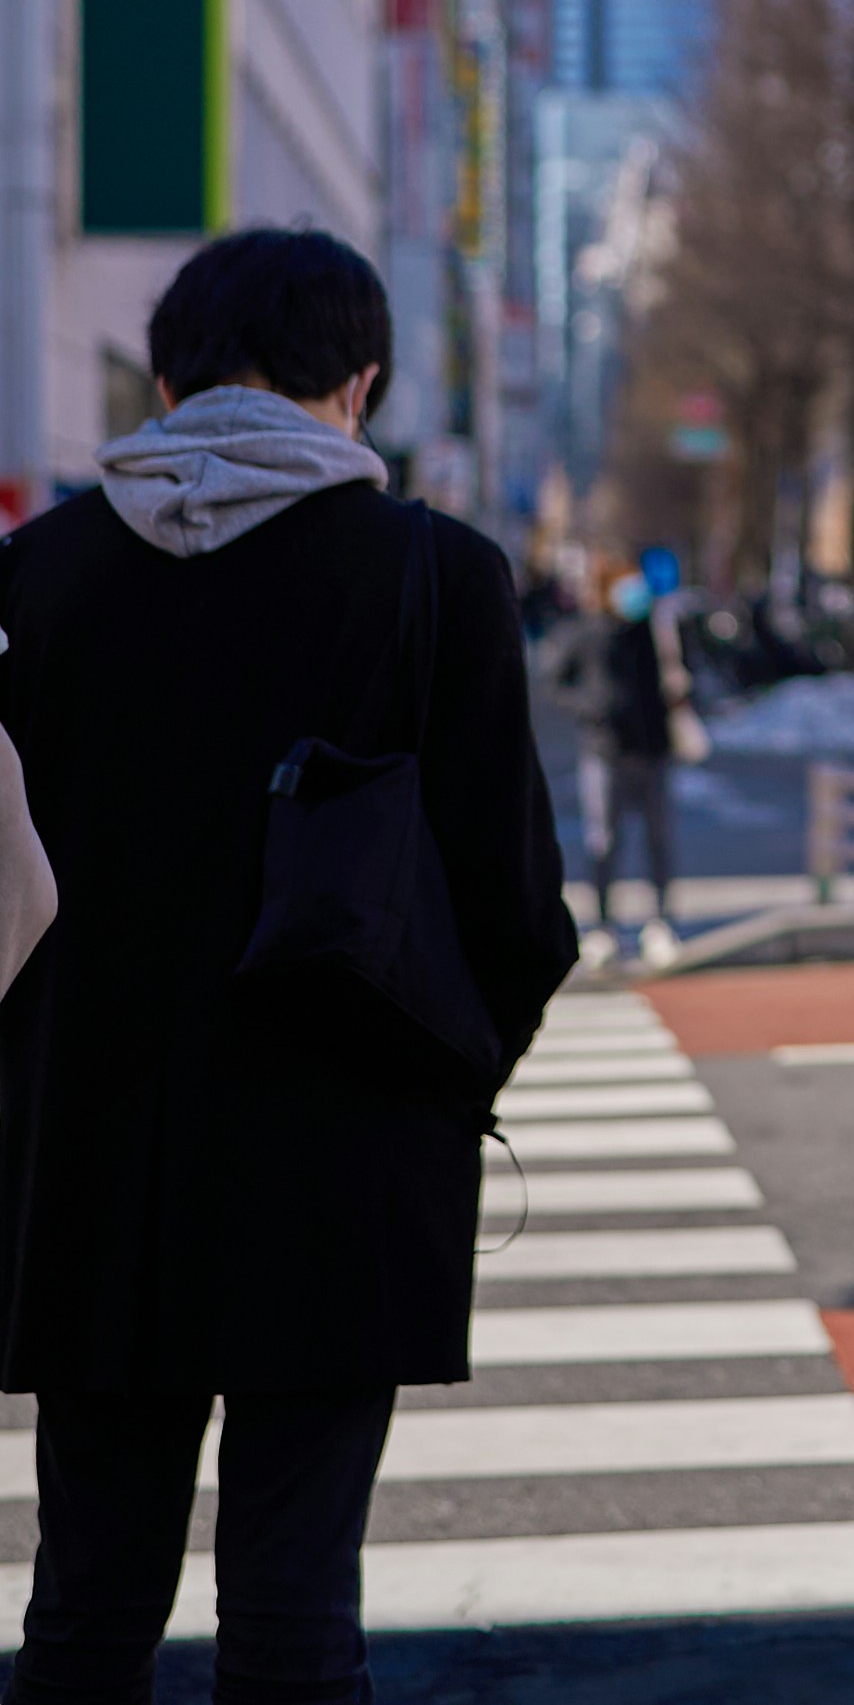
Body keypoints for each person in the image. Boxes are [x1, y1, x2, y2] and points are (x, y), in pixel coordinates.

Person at [0, 223, 578, 1704]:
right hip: (344, 1141)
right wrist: (442, 1076)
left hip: (91, 1156)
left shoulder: (40, 575)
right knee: (295, 1607)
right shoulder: (435, 577)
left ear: (168, 374)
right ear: (360, 383)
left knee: (84, 1602)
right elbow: (515, 902)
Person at [554, 559, 689, 960]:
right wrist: (592, 709)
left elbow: (682, 673)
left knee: (658, 840)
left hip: (654, 750)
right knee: (603, 842)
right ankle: (602, 926)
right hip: (606, 751)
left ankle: (661, 922)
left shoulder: (657, 631)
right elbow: (558, 683)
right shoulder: (587, 632)